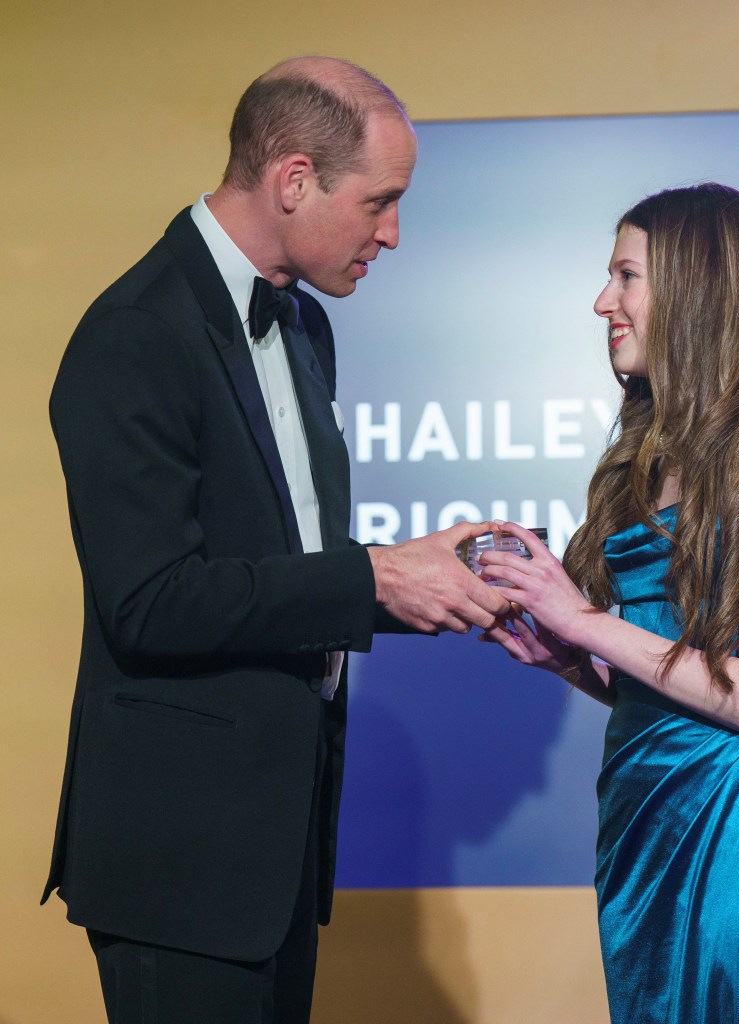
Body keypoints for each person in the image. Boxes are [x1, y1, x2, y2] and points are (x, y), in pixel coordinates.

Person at [43, 56, 507, 1024]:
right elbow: (152, 601)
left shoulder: (302, 324)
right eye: (379, 201)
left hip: (276, 849)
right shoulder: (134, 333)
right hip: (180, 862)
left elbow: (290, 566)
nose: (392, 233)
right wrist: (371, 581)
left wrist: (425, 581)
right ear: (293, 179)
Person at [479, 183, 739, 1023]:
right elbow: (669, 693)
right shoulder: (645, 465)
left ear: (693, 289)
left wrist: (583, 620)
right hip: (645, 838)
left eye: (625, 276)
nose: (602, 302)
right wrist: (575, 660)